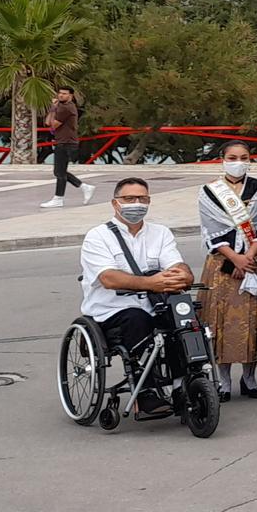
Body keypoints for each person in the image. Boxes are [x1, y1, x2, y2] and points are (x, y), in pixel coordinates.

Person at [79, 177, 192, 416]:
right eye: (129, 199)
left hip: (154, 305)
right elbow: (109, 278)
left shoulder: (160, 233)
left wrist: (183, 277)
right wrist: (151, 283)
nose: (136, 204)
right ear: (115, 203)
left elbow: (178, 266)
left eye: (142, 199)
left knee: (183, 317)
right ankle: (146, 392)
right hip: (111, 310)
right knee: (137, 319)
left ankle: (185, 384)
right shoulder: (97, 236)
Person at [198, 140, 257, 400]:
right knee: (221, 321)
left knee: (254, 319)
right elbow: (211, 229)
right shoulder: (209, 191)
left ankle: (249, 378)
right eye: (232, 157)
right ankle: (224, 380)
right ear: (223, 159)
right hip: (221, 263)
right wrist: (235, 258)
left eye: (243, 157)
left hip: (255, 260)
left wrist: (248, 257)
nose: (238, 162)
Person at [41, 84, 92, 208]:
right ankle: (80, 188)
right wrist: (53, 109)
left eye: (64, 93)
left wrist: (53, 108)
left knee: (59, 171)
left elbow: (53, 125)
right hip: (63, 140)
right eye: (60, 93)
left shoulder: (66, 108)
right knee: (60, 171)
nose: (61, 95)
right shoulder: (62, 106)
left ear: (71, 96)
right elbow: (48, 122)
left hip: (67, 142)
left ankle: (61, 197)